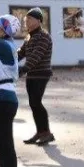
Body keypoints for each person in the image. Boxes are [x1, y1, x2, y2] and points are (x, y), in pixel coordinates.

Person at [17, 8, 55, 146]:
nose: (26, 21)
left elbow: (36, 56)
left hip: (41, 74)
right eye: (26, 19)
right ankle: (40, 132)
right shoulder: (29, 37)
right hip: (32, 74)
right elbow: (20, 53)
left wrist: (22, 70)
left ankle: (46, 133)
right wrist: (8, 60)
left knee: (36, 102)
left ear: (39, 21)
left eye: (30, 19)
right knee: (34, 104)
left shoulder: (43, 36)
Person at [0, 15, 20, 167]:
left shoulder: (3, 45)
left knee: (4, 144)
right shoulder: (5, 44)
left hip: (3, 98)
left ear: (3, 30)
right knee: (1, 144)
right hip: (3, 97)